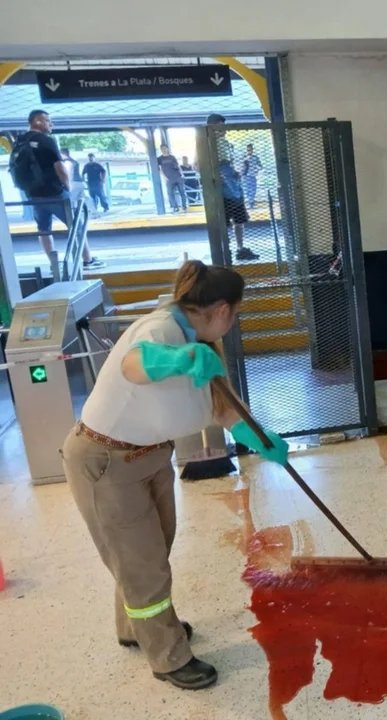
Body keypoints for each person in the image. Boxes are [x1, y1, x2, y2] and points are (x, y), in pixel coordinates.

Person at [61, 260, 289, 690]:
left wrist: (261, 438)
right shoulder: (162, 330)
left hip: (147, 456)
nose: (233, 322)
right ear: (222, 309)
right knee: (143, 566)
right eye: (235, 314)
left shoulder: (200, 342)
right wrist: (180, 358)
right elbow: (135, 365)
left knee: (148, 552)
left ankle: (136, 628)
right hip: (106, 461)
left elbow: (223, 409)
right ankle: (168, 657)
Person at [12, 111, 101, 269]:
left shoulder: (20, 141)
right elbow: (60, 167)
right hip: (55, 193)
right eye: (48, 120)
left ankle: (54, 264)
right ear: (37, 121)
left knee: (43, 230)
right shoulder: (46, 141)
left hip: (34, 195)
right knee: (76, 225)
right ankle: (87, 260)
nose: (51, 124)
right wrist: (67, 187)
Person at [206, 114, 258, 261]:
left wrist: (235, 172)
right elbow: (197, 166)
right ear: (211, 126)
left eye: (224, 127)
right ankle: (224, 250)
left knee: (239, 220)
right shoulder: (206, 144)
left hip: (234, 186)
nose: (224, 130)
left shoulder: (226, 144)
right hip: (221, 190)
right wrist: (214, 175)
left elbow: (229, 163)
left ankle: (240, 248)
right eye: (220, 127)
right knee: (223, 223)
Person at [158, 144, 188, 213]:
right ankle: (175, 207)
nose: (164, 150)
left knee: (182, 192)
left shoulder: (172, 157)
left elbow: (178, 166)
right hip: (169, 179)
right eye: (162, 149)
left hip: (177, 176)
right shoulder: (159, 159)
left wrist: (182, 174)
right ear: (161, 150)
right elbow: (159, 169)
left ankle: (184, 206)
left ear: (167, 149)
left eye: (165, 148)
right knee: (170, 193)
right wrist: (164, 177)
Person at [241, 143, 262, 209]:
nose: (249, 151)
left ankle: (251, 202)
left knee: (252, 189)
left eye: (250, 149)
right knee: (248, 190)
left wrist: (256, 171)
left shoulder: (255, 158)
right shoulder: (244, 158)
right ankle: (250, 202)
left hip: (252, 176)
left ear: (252, 150)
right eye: (248, 150)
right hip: (246, 176)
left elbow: (260, 166)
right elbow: (242, 167)